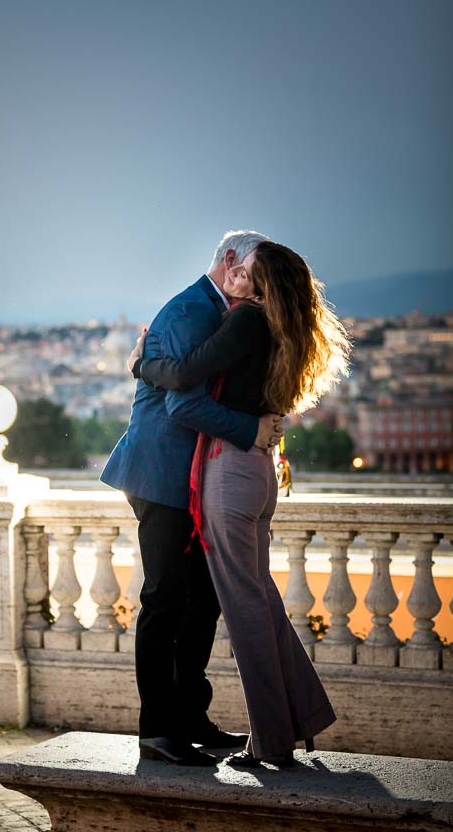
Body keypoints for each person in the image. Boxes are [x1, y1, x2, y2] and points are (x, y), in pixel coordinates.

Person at [131, 241, 350, 767]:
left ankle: (265, 734)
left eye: (248, 273)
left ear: (258, 280)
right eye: (237, 268)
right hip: (240, 475)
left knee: (238, 607)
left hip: (229, 472)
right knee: (230, 601)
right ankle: (272, 719)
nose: (237, 278)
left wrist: (142, 363)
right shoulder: (281, 323)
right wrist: (258, 431)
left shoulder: (244, 320)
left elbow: (183, 383)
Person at [101, 231, 284, 767]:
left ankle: (189, 717)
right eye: (252, 267)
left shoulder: (224, 313)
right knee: (165, 600)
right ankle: (158, 729)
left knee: (200, 599)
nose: (257, 280)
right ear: (230, 261)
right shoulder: (191, 311)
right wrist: (251, 430)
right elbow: (183, 406)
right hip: (161, 475)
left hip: (192, 478)